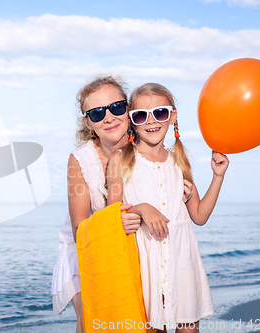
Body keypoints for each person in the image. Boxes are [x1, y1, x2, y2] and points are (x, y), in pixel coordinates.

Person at [51, 77, 194, 333]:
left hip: (138, 243)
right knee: (91, 316)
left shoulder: (148, 142)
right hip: (88, 245)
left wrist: (184, 191)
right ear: (88, 122)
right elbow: (79, 230)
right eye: (96, 113)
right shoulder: (80, 160)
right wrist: (126, 214)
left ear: (129, 109)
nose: (108, 117)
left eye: (116, 107)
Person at [106, 83, 229, 333]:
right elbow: (112, 218)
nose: (151, 121)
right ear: (132, 121)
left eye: (160, 113)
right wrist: (141, 208)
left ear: (172, 116)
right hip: (145, 263)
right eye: (141, 115)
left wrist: (218, 176)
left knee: (189, 329)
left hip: (182, 261)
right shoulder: (120, 160)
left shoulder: (179, 161)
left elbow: (200, 216)